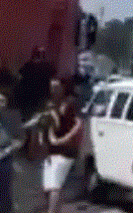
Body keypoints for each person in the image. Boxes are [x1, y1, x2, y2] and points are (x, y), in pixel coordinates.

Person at [42, 78, 83, 213]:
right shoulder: (49, 105)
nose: (53, 90)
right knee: (50, 186)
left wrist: (64, 140)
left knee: (54, 185)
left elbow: (78, 124)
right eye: (51, 87)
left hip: (65, 152)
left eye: (56, 87)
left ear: (63, 89)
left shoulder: (68, 105)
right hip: (51, 152)